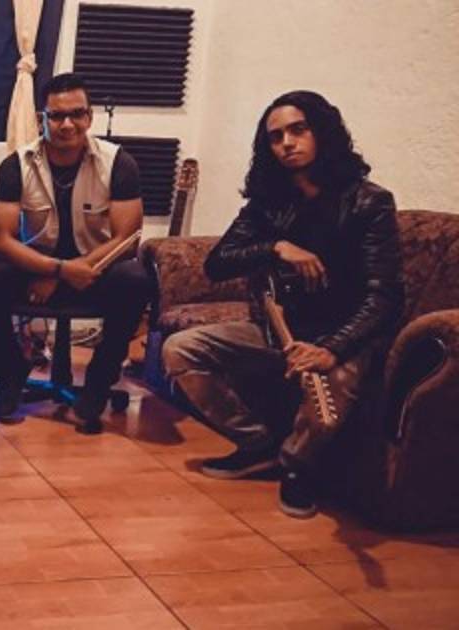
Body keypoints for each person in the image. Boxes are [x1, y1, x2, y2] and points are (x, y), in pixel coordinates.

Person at [162, 90, 402, 519]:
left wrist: (333, 349)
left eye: (298, 130)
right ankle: (259, 444)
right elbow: (218, 263)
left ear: (322, 132)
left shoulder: (369, 202)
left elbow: (383, 296)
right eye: (276, 137)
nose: (287, 143)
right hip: (278, 328)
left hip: (342, 335)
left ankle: (296, 465)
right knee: (180, 350)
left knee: (325, 413)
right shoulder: (269, 203)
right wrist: (276, 247)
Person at [0, 72, 151, 431]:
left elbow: (127, 238)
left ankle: (99, 381)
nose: (67, 124)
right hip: (38, 273)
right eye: (57, 116)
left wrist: (72, 271)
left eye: (76, 114)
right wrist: (57, 270)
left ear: (90, 116)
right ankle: (10, 372)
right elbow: (1, 240)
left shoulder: (119, 163)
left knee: (134, 278)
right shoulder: (16, 165)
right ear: (43, 119)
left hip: (95, 272)